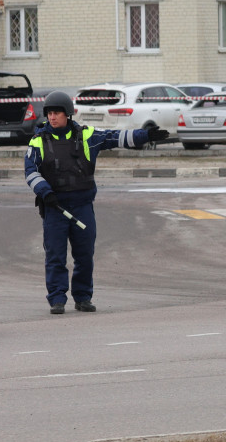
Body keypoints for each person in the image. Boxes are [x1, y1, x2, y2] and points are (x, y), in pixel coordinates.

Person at [24, 90, 168, 314]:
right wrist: (45, 192)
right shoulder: (38, 140)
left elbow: (115, 137)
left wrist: (145, 136)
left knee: (84, 255)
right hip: (55, 207)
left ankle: (82, 297)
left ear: (68, 114)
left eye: (57, 113)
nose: (52, 117)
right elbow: (30, 171)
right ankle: (57, 299)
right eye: (50, 113)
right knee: (55, 256)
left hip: (82, 206)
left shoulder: (87, 136)